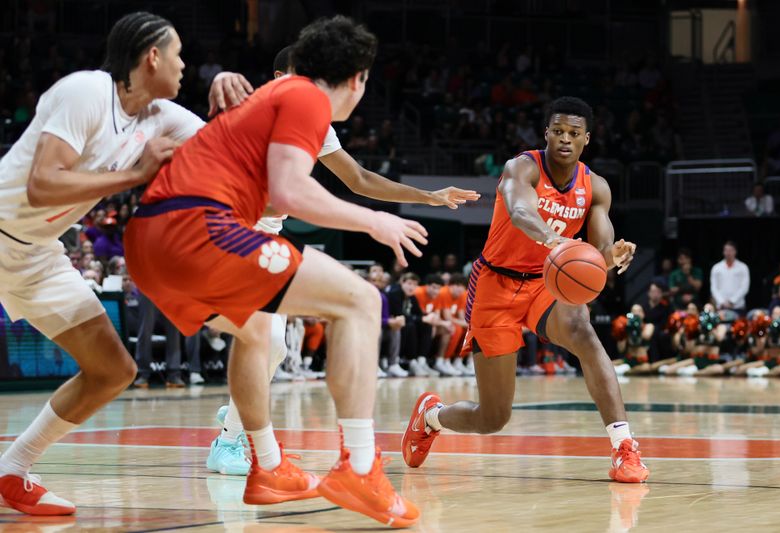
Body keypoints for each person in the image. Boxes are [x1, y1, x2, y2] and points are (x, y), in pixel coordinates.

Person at [124, 16, 421, 527]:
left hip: (149, 240)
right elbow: (289, 192)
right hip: (199, 228)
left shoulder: (275, 96)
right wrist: (373, 220)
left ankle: (265, 465)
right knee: (362, 301)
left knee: (260, 332)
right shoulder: (307, 97)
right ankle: (360, 465)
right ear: (357, 78)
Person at [0, 11, 251, 516]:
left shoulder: (165, 117)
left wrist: (235, 99)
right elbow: (43, 183)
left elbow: (234, 150)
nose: (186, 67)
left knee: (113, 370)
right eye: (178, 54)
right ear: (151, 56)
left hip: (37, 252)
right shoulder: (86, 92)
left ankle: (12, 470)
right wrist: (135, 174)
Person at [205, 44, 479, 476]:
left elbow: (359, 179)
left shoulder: (315, 122)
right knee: (272, 339)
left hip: (266, 242)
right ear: (277, 78)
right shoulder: (249, 112)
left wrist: (428, 196)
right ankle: (235, 439)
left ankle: (242, 418)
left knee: (273, 344)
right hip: (223, 237)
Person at [401, 97, 648, 483]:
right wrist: (556, 241)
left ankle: (624, 448)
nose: (565, 139)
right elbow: (519, 212)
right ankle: (431, 416)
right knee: (492, 417)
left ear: (587, 139)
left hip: (546, 283)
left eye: (574, 133)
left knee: (583, 331)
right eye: (558, 131)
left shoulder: (596, 187)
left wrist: (612, 256)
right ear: (546, 133)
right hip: (495, 284)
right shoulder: (523, 167)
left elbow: (599, 252)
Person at [709, 241, 749, 313]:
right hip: (721, 307)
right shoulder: (716, 268)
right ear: (723, 252)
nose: (728, 253)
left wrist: (732, 301)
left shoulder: (743, 267)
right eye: (726, 250)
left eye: (730, 250)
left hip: (738, 306)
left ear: (735, 252)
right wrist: (721, 302)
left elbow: (744, 287)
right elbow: (714, 288)